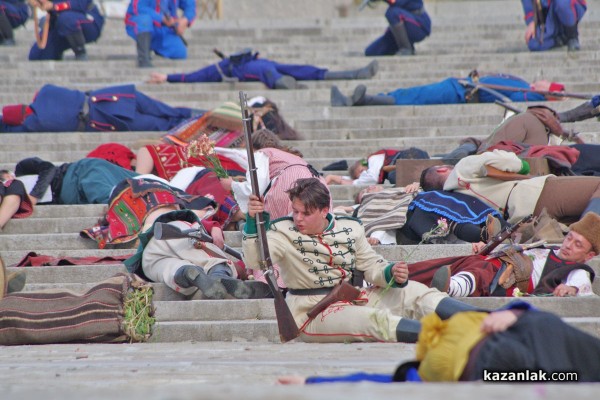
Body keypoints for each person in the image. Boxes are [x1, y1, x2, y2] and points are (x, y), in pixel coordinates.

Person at [242, 177, 478, 343]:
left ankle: (486, 323)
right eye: (295, 211)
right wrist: (254, 224)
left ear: (325, 211)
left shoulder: (350, 227)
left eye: (306, 213)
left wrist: (390, 273)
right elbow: (256, 261)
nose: (298, 218)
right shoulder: (281, 231)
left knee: (416, 292)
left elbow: (371, 265)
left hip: (354, 296)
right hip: (310, 311)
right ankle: (446, 337)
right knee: (374, 321)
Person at [278, 301, 600, 383]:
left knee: (565, 370)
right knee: (563, 373)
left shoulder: (465, 328)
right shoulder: (425, 368)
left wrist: (517, 312)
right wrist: (312, 381)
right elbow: (382, 382)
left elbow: (382, 382)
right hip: (494, 363)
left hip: (510, 347)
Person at [409, 211, 599, 298]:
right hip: (499, 262)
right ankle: (400, 275)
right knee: (454, 263)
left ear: (589, 255)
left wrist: (571, 289)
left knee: (483, 269)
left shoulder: (578, 270)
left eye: (578, 245)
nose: (569, 245)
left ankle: (453, 288)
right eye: (570, 238)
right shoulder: (547, 248)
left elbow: (581, 284)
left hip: (511, 280)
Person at [124, 208, 271, 300]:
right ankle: (220, 275)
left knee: (172, 270)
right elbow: (199, 221)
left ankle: (187, 273)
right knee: (214, 261)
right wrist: (214, 228)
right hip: (174, 232)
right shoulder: (189, 215)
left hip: (149, 260)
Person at [419, 149, 600, 224]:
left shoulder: (451, 200)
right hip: (536, 193)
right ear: (443, 168)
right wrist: (523, 166)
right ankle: (585, 233)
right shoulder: (461, 168)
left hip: (525, 218)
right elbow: (502, 159)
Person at [0, 84, 200, 133]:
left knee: (161, 121)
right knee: (165, 112)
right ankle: (201, 117)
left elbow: (9, 128)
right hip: (107, 98)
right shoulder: (44, 91)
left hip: (101, 115)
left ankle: (200, 121)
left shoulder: (33, 123)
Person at [147, 50, 379, 89]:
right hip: (260, 71)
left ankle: (355, 72)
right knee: (265, 71)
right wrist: (167, 77)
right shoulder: (224, 66)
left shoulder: (253, 59)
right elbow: (194, 76)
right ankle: (283, 83)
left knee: (303, 69)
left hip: (269, 66)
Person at [331, 73, 562, 107]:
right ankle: (362, 100)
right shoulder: (523, 83)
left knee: (415, 96)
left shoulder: (528, 93)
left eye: (547, 85)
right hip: (460, 84)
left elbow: (518, 99)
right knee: (409, 92)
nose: (542, 80)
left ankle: (364, 101)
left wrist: (539, 95)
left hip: (461, 93)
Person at [14, 156, 138, 205]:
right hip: (77, 198)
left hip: (78, 174)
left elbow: (48, 168)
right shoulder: (12, 197)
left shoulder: (21, 169)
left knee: (112, 196)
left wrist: (33, 196)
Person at [125, 0, 196, 68]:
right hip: (140, 22)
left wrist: (185, 20)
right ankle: (143, 58)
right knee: (145, 21)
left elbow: (190, 4)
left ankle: (155, 47)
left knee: (180, 52)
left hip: (164, 27)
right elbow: (139, 8)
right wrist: (161, 18)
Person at [28, 0, 105, 61]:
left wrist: (55, 7)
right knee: (37, 54)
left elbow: (79, 5)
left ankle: (80, 53)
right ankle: (56, 54)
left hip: (87, 20)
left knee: (66, 19)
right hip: (61, 24)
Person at [325, 147, 429, 186]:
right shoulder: (375, 165)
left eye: (361, 171)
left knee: (393, 176)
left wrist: (335, 178)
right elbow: (364, 179)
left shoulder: (373, 159)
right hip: (411, 163)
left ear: (361, 165)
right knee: (393, 176)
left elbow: (371, 178)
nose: (363, 174)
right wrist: (335, 178)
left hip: (410, 156)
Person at [363, 0, 431, 56]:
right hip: (403, 25)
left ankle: (406, 49)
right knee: (371, 52)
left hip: (420, 25)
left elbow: (396, 2)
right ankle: (408, 46)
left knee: (392, 13)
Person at [521, 0, 586, 52]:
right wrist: (532, 21)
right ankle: (561, 39)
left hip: (568, 7)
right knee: (533, 43)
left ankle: (572, 36)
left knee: (561, 3)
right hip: (550, 16)